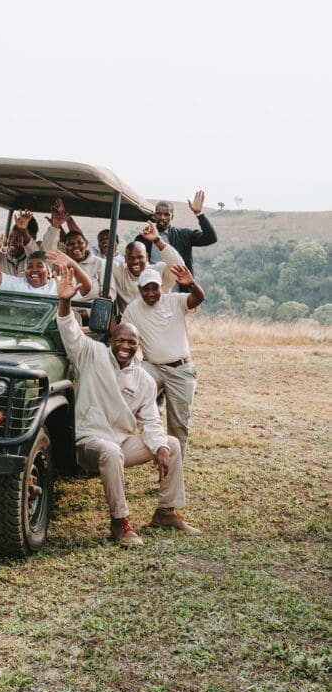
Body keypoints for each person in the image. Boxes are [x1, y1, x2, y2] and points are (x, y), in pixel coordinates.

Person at [56, 266, 199, 544]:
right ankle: (119, 523)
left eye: (131, 342)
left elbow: (150, 420)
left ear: (138, 346)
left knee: (171, 444)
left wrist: (159, 446)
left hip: (121, 443)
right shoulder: (92, 355)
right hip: (89, 443)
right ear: (111, 341)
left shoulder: (144, 379)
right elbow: (70, 332)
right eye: (120, 340)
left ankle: (166, 512)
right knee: (110, 451)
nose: (125, 346)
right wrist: (65, 303)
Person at [121, 266, 205, 457]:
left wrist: (191, 284)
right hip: (153, 367)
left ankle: (174, 464)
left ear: (161, 287)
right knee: (129, 383)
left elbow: (198, 298)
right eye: (146, 289)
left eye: (155, 288)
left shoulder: (174, 300)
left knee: (179, 424)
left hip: (180, 369)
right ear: (140, 289)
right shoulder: (133, 309)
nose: (151, 293)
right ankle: (131, 438)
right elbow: (123, 333)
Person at [136, 192, 217, 276]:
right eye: (159, 214)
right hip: (152, 282)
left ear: (172, 217)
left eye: (166, 214)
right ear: (155, 215)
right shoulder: (142, 238)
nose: (162, 217)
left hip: (178, 283)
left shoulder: (184, 235)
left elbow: (210, 237)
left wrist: (199, 214)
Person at [0, 233, 92, 296]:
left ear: (49, 272)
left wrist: (71, 263)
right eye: (29, 266)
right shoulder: (19, 284)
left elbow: (85, 288)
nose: (34, 269)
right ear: (24, 272)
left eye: (40, 266)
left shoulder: (58, 284)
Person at [112, 222, 185, 311]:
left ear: (146, 257)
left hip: (158, 318)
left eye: (140, 257)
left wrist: (157, 240)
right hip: (128, 318)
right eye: (131, 258)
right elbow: (100, 265)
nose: (136, 261)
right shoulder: (119, 271)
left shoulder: (159, 270)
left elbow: (180, 267)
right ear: (125, 259)